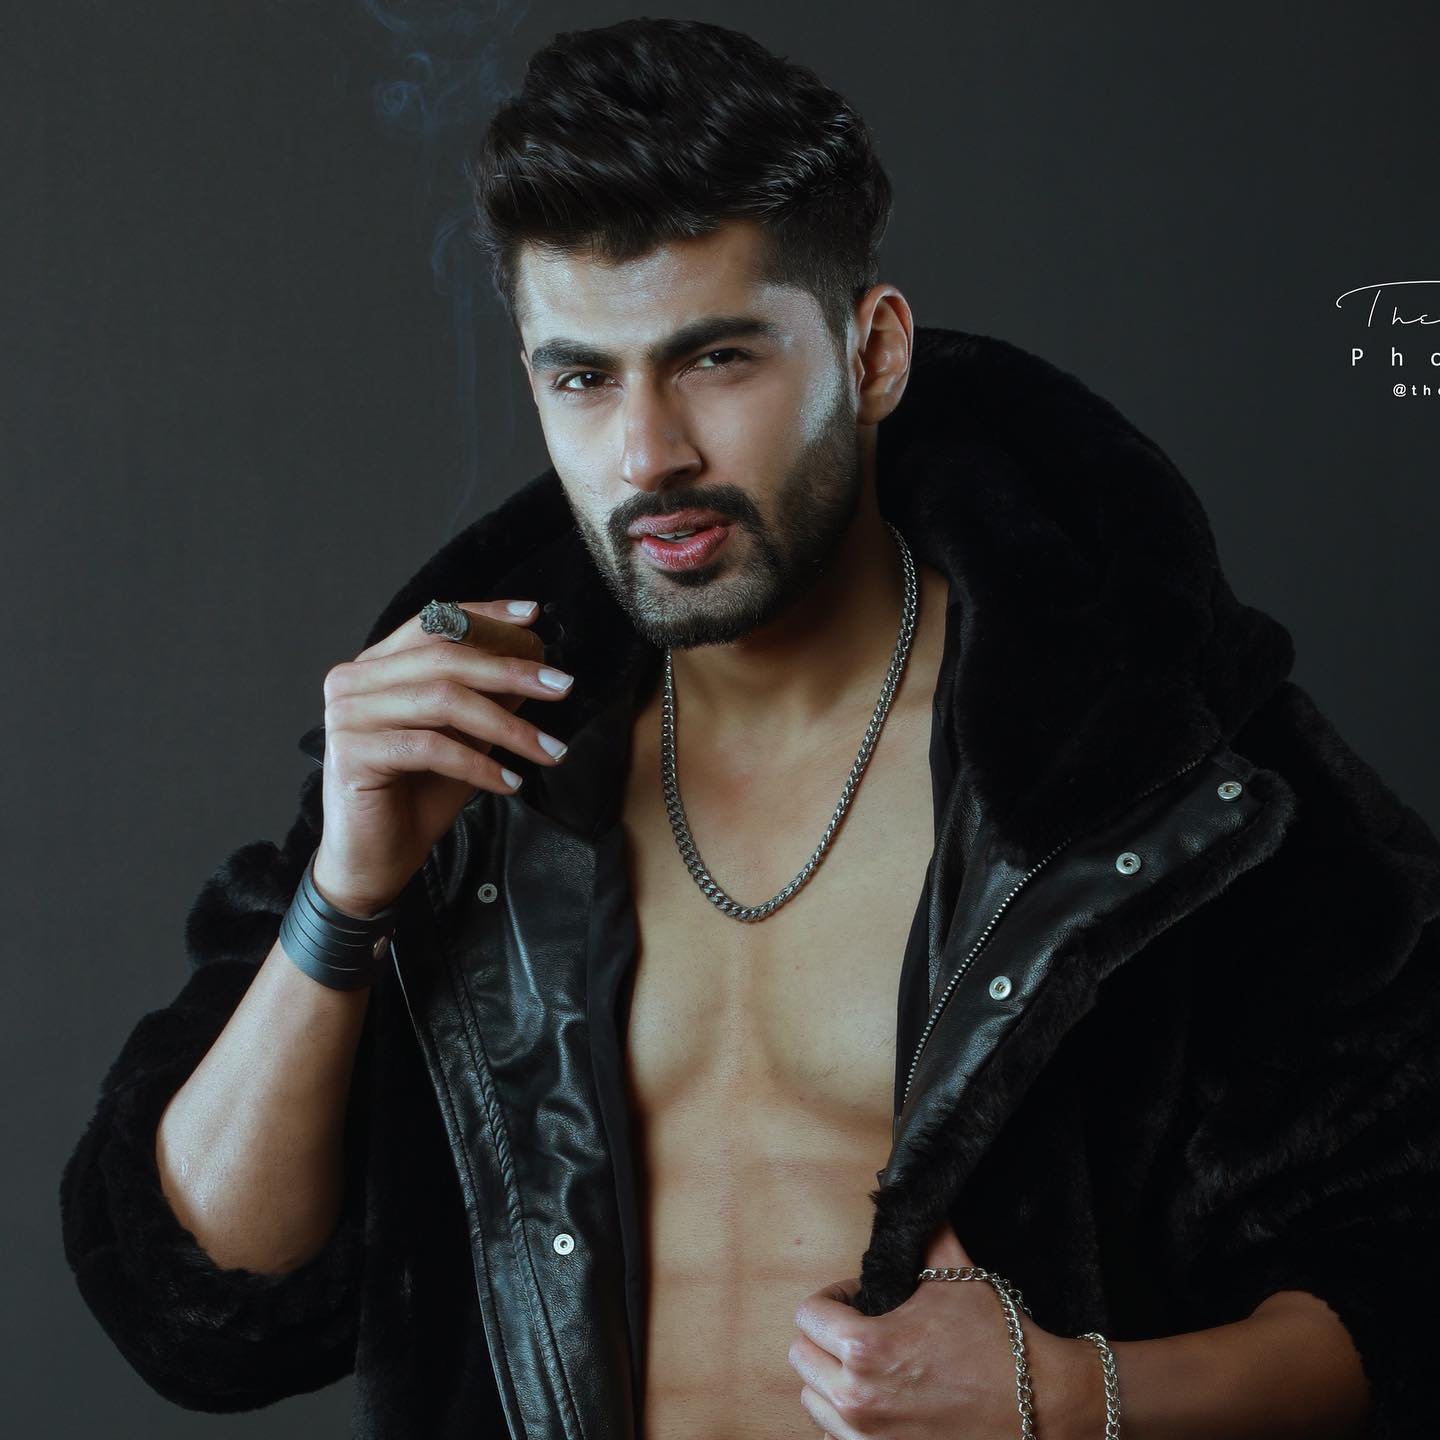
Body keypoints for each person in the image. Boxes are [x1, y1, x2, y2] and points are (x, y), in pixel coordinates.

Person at [61, 16, 1439, 1440]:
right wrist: (344, 895)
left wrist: (1073, 1399)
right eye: (582, 377)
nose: (647, 453)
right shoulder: (473, 765)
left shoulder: (1147, 767)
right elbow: (198, 1308)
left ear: (874, 351)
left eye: (716, 359)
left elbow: (1410, 1276)